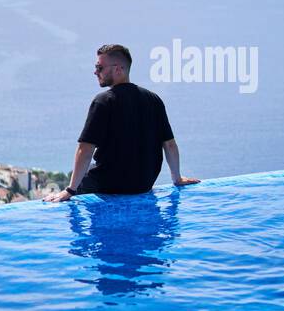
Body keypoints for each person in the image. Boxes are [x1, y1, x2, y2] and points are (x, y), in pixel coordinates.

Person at [44, 44, 199, 202]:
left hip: (108, 185)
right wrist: (177, 178)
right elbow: (170, 145)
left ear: (118, 69)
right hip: (143, 185)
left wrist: (69, 191)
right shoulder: (154, 99)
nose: (95, 72)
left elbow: (85, 149)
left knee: (73, 185)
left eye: (99, 67)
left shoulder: (103, 101)